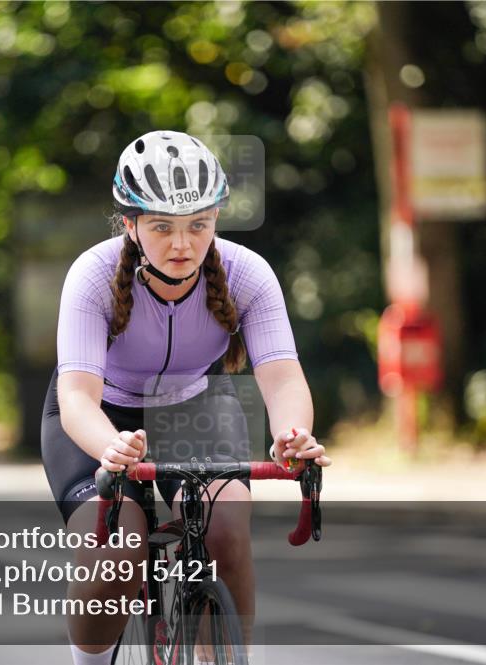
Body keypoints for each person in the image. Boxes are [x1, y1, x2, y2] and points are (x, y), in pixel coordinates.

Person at [41, 131, 331, 665]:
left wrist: (294, 434)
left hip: (195, 404)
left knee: (226, 534)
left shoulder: (248, 274)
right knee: (118, 548)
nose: (182, 244)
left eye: (199, 224)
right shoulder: (93, 275)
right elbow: (78, 395)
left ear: (217, 217)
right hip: (100, 416)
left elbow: (283, 377)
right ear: (129, 225)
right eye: (161, 227)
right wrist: (112, 448)